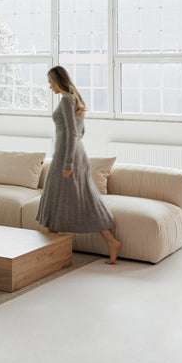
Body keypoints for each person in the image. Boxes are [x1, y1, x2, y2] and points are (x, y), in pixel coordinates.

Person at [36, 65, 122, 264]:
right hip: (74, 155)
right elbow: (80, 132)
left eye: (50, 81)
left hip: (67, 158)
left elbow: (72, 133)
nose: (49, 86)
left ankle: (53, 254)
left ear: (58, 80)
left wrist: (67, 164)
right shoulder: (75, 98)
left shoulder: (67, 100)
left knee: (56, 200)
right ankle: (109, 242)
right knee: (63, 200)